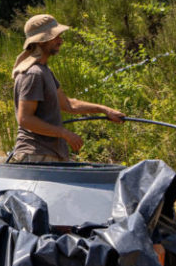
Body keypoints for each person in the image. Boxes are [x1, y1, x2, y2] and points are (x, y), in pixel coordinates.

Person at [10, 14, 125, 163]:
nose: (60, 40)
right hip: (36, 155)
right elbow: (25, 119)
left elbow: (69, 104)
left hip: (49, 154)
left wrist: (104, 110)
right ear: (41, 40)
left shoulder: (44, 71)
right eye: (55, 36)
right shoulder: (33, 74)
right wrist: (64, 133)